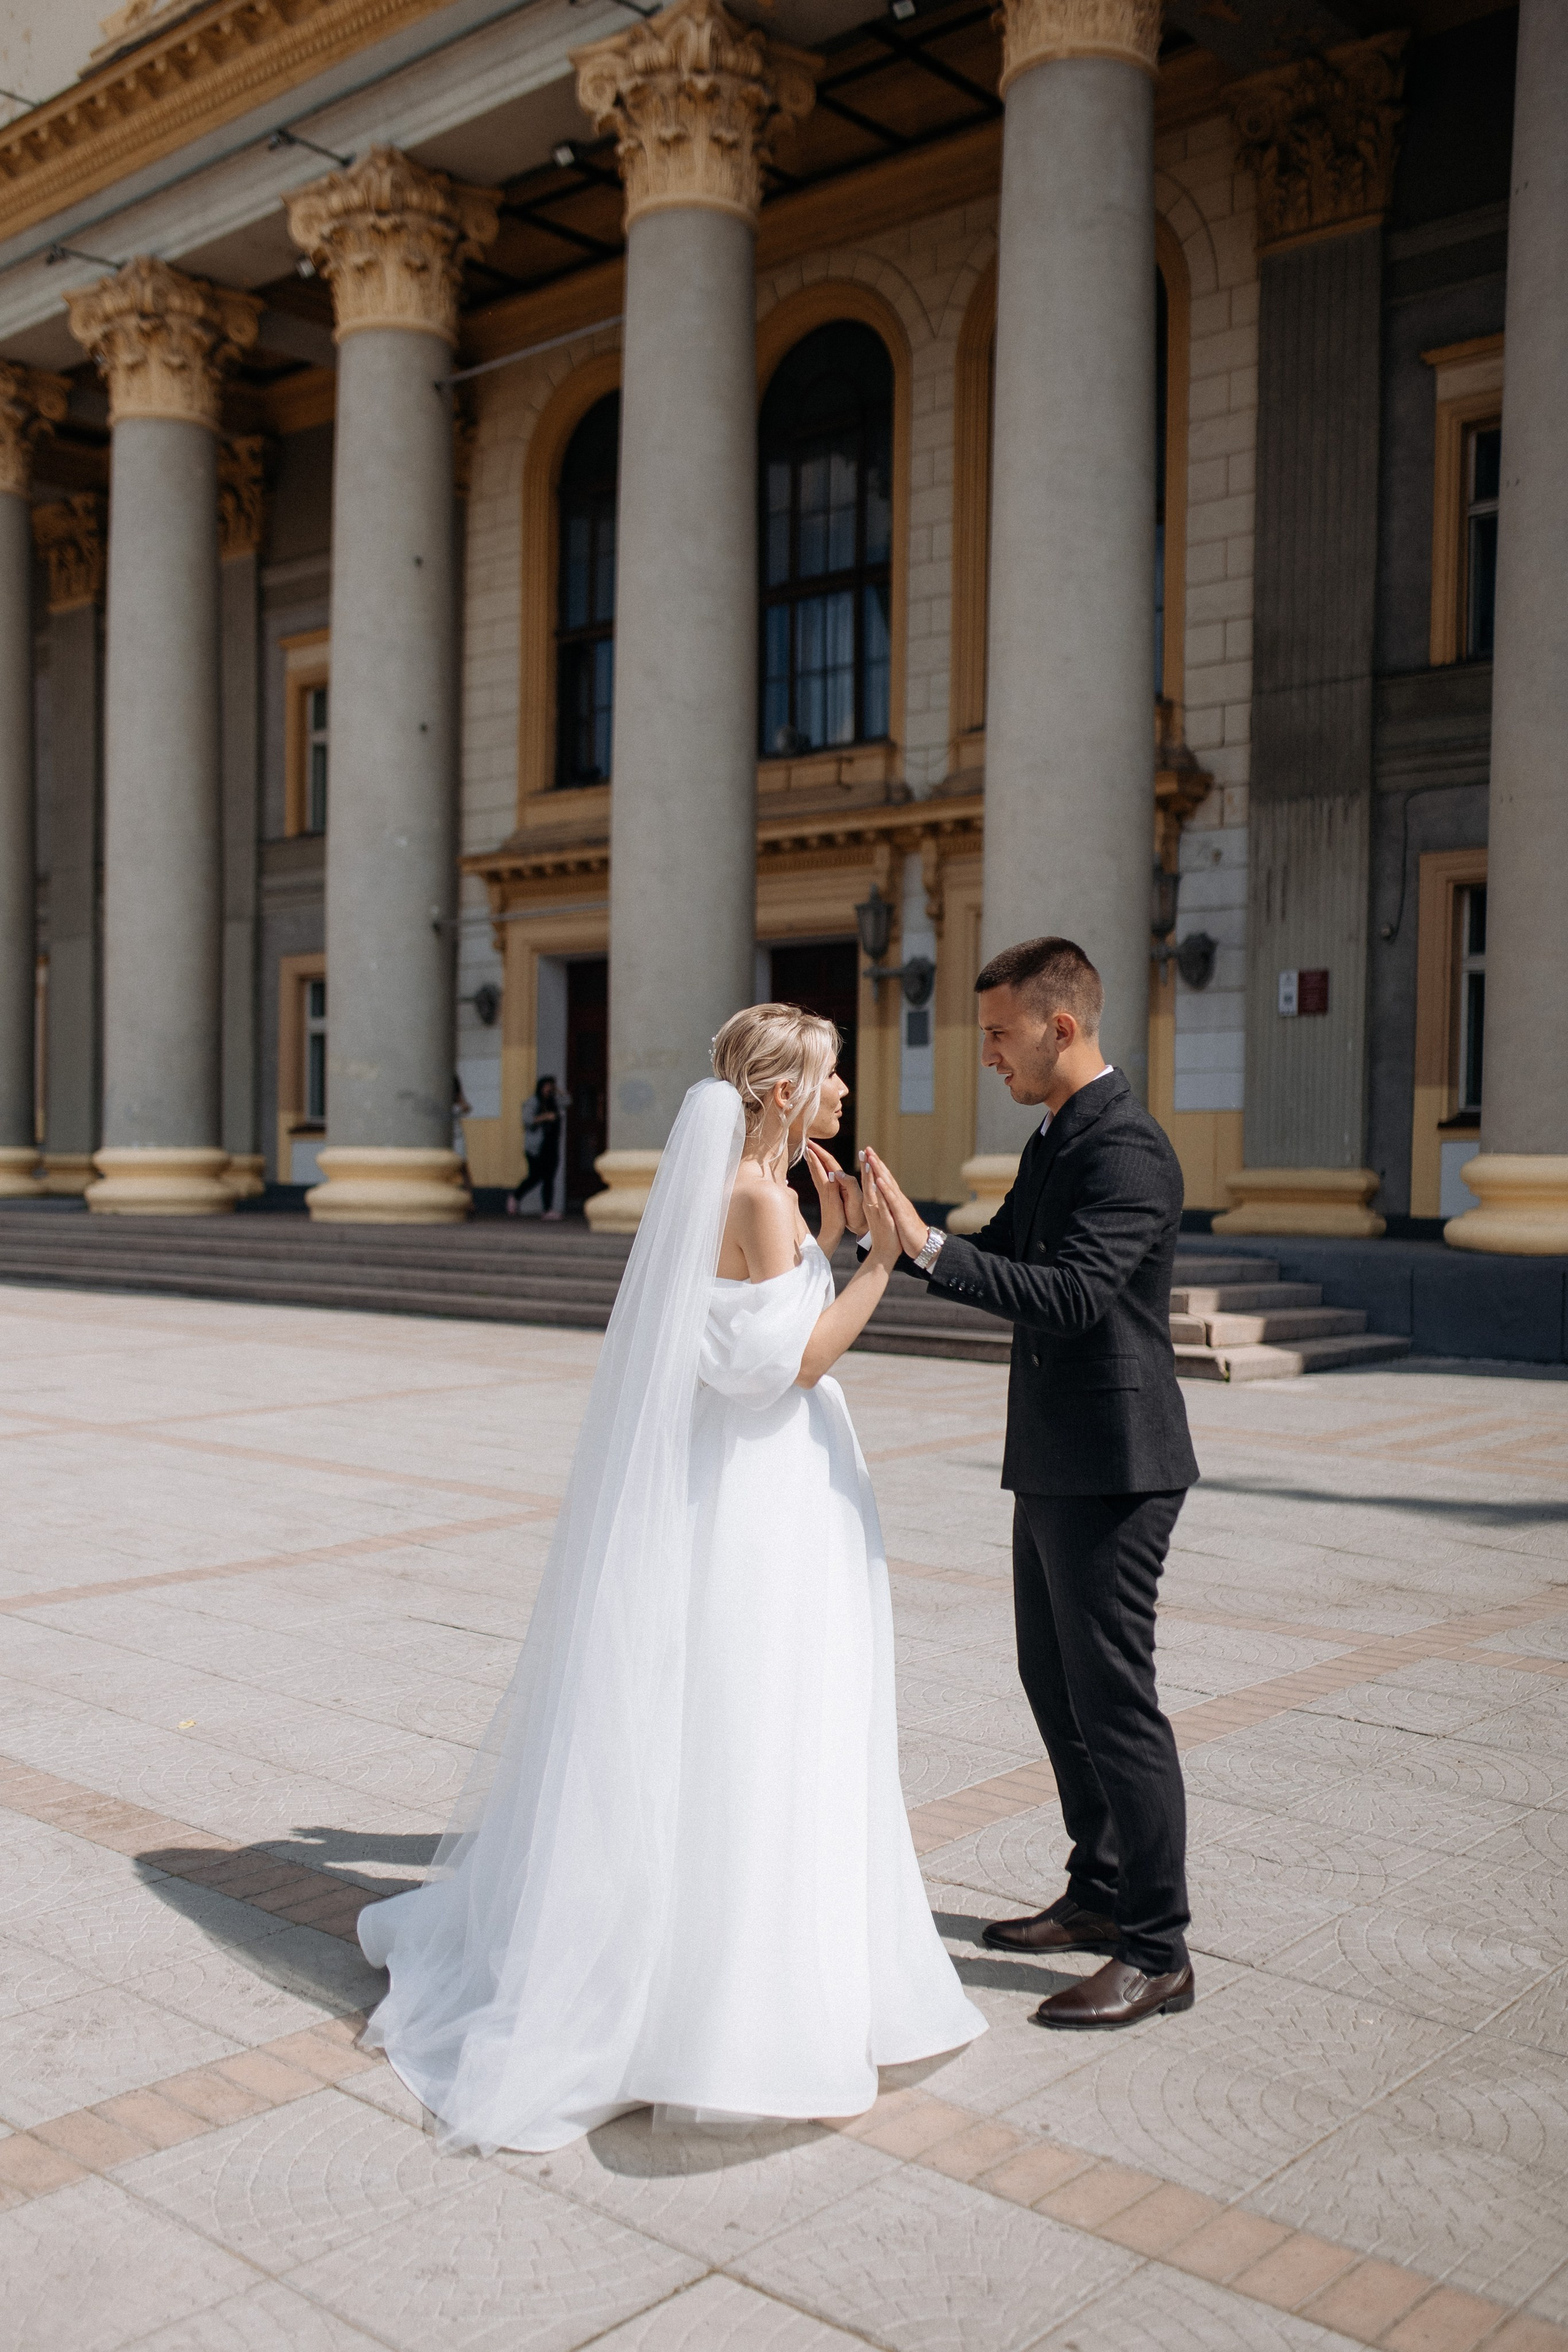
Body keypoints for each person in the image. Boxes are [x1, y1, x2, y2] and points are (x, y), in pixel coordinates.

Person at [359, 1003, 983, 2150]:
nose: (847, 1096)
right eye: (833, 1080)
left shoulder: (768, 1195)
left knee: (767, 1712)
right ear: (787, 1095)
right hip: (764, 1488)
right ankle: (726, 2002)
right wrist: (884, 1261)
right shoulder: (753, 1197)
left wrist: (833, 1247)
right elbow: (784, 1365)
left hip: (767, 1481)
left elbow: (761, 1322)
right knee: (760, 1716)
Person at [858, 937, 1200, 2030]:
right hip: (1058, 1457)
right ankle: (1098, 1892)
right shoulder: (1058, 1138)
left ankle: (1158, 1949)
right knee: (1053, 1685)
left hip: (1116, 1467)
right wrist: (901, 1238)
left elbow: (1074, 1296)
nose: (988, 1057)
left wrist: (930, 1249)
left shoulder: (1128, 1150)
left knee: (1115, 1703)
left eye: (1000, 1035)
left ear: (1063, 1027)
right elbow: (1003, 1252)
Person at [507, 1074, 566, 1219]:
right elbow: (527, 1120)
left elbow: (568, 1102)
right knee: (536, 1176)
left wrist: (559, 1091)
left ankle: (548, 1209)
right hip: (536, 1147)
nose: (548, 1089)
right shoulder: (533, 1102)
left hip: (551, 1144)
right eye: (546, 1086)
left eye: (551, 1086)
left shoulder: (554, 1102)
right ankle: (515, 1196)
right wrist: (546, 1117)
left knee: (549, 1178)